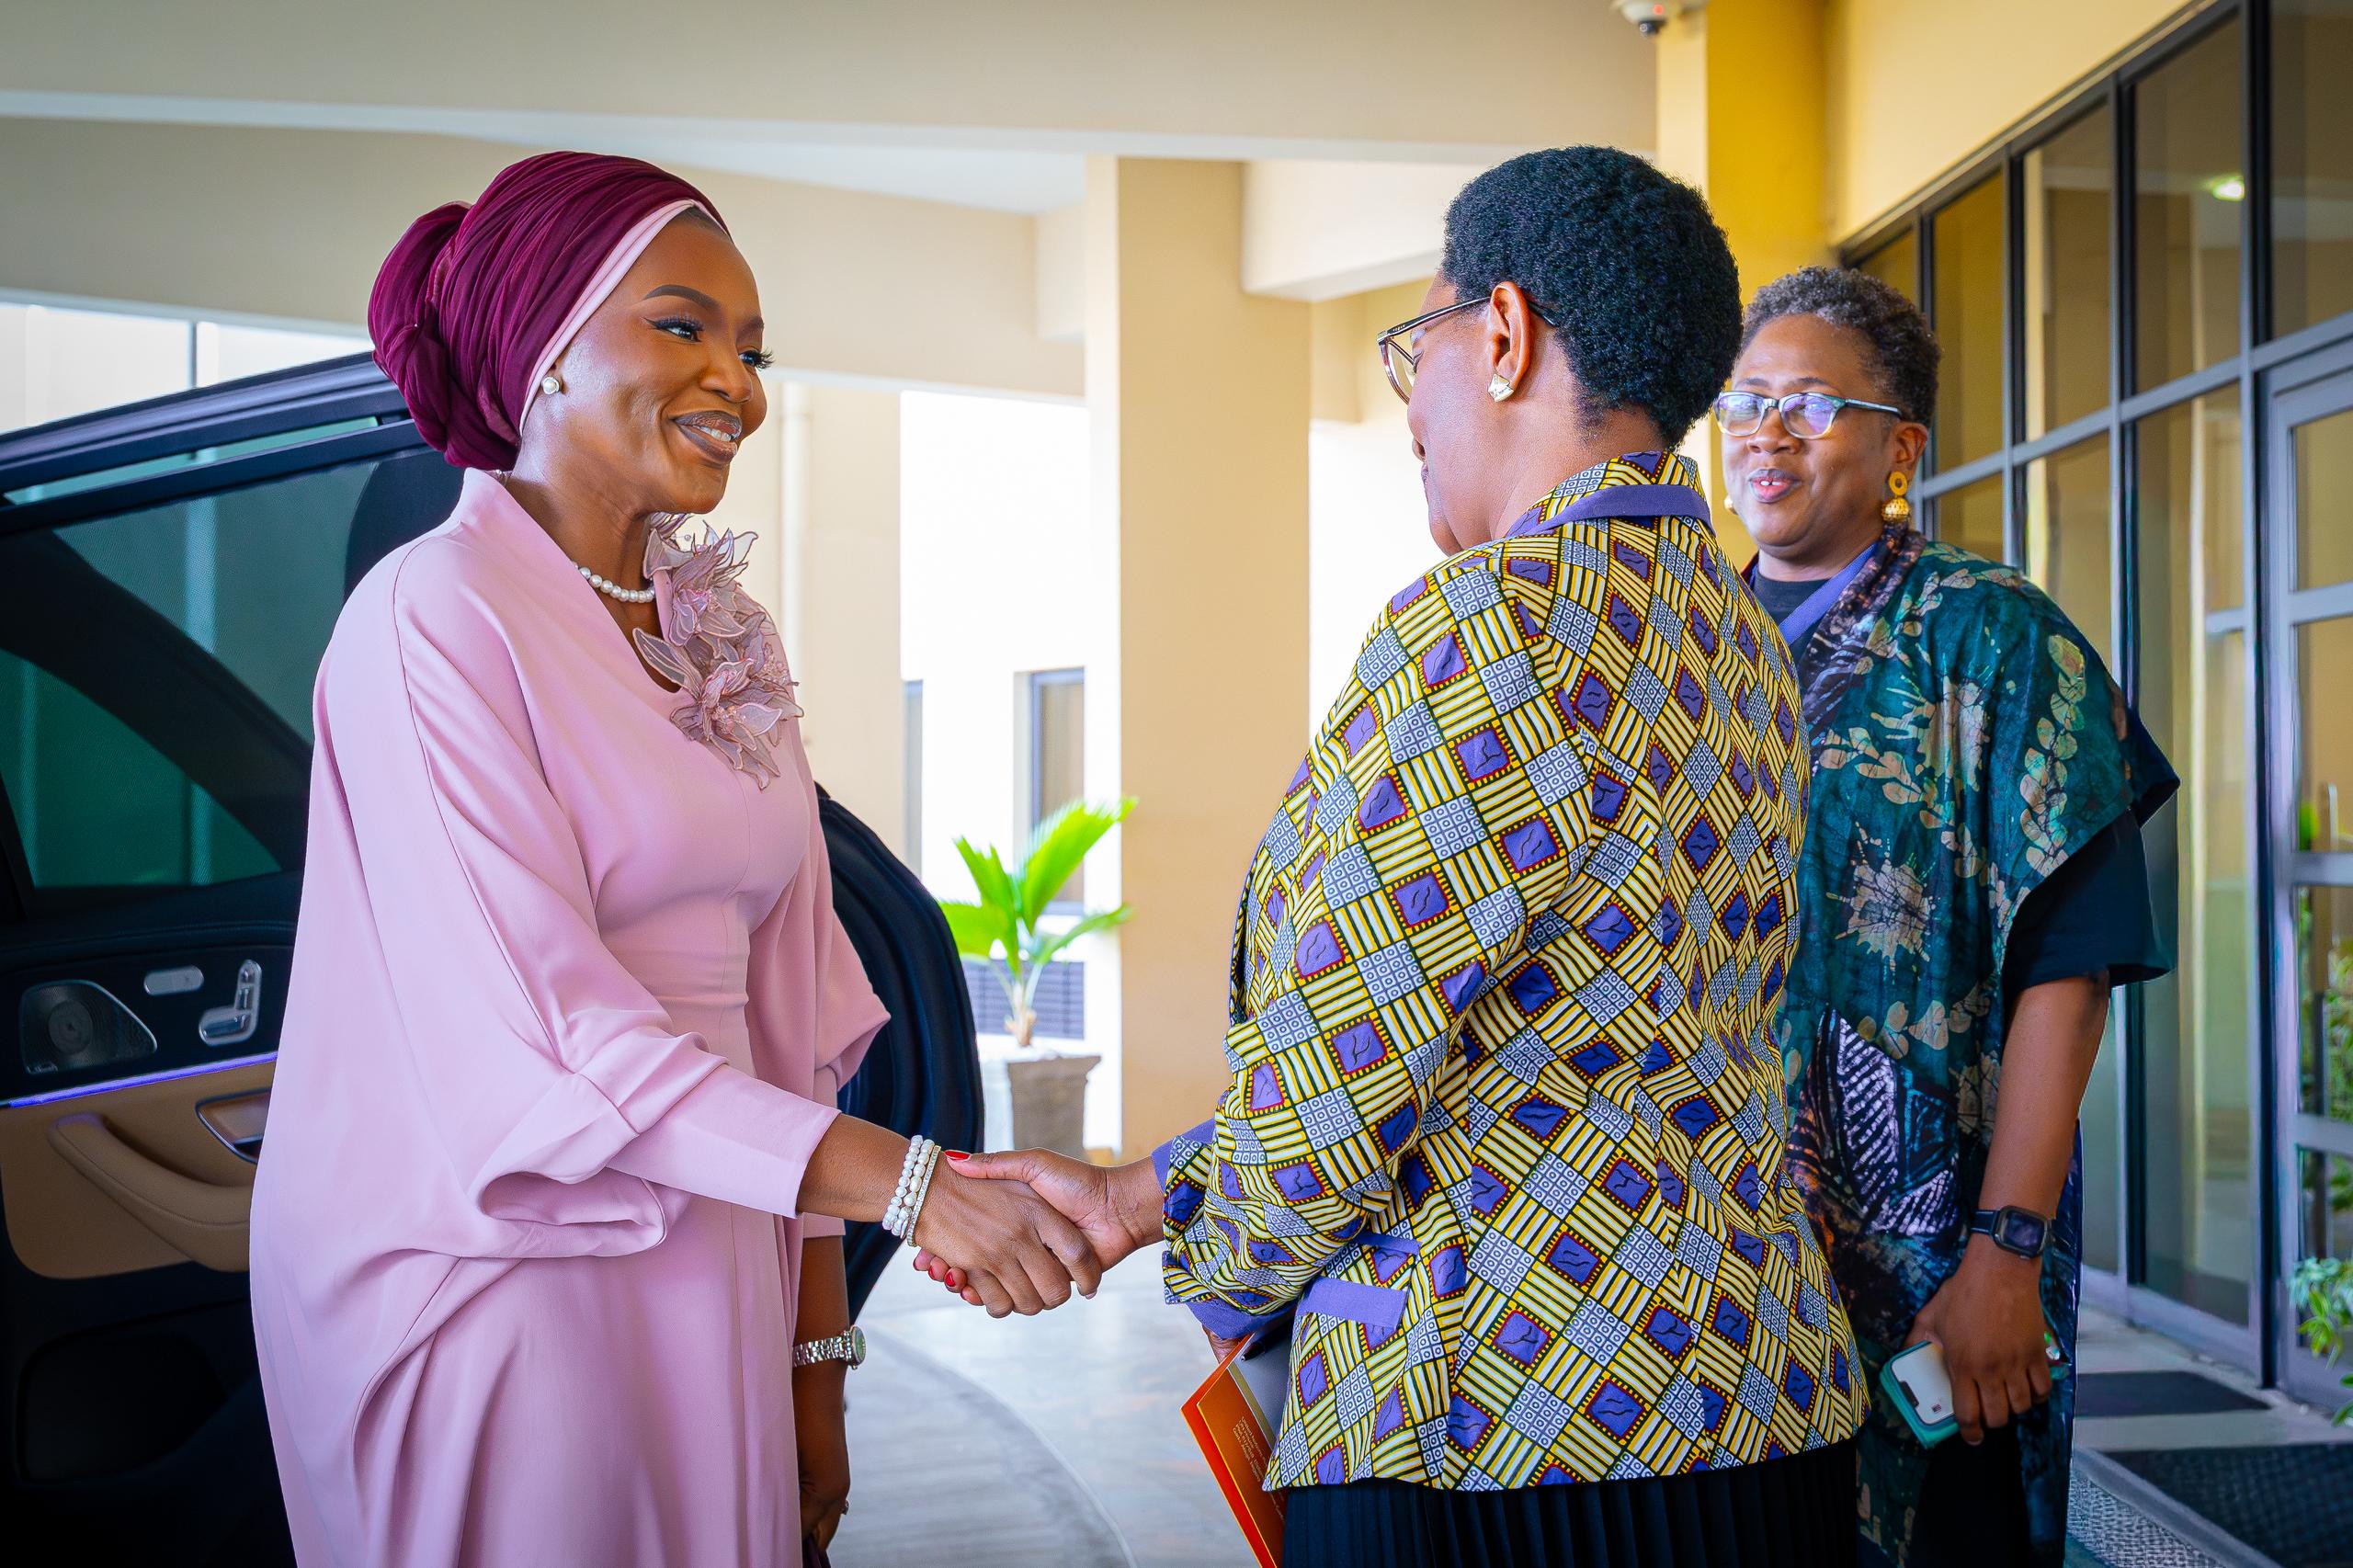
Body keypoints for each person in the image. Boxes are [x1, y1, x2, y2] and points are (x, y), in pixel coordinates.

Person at [924, 148, 1867, 1568]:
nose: (1409, 409)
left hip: (1514, 1438)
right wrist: (1135, 1196)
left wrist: (1215, 1248)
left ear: (1501, 337)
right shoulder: (1736, 639)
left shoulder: (1484, 628)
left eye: (1409, 349)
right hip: (1756, 1399)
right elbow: (1537, 1049)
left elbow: (1329, 1101)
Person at [247, 152, 1096, 1568]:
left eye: (754, 348)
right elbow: (550, 1037)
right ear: (547, 349)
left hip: (727, 1244)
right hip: (507, 1272)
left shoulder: (726, 631)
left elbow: (793, 1026)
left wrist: (816, 1358)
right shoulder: (433, 622)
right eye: (684, 325)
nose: (739, 383)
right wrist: (913, 1182)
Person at [1716, 266, 2175, 1567]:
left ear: (1900, 446)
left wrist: (2005, 1250)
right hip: (1717, 1270)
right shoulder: (1692, 651)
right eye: (1746, 401)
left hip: (1939, 1262)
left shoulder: (1994, 636)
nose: (1766, 431)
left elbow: (2069, 961)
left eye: (1809, 402)